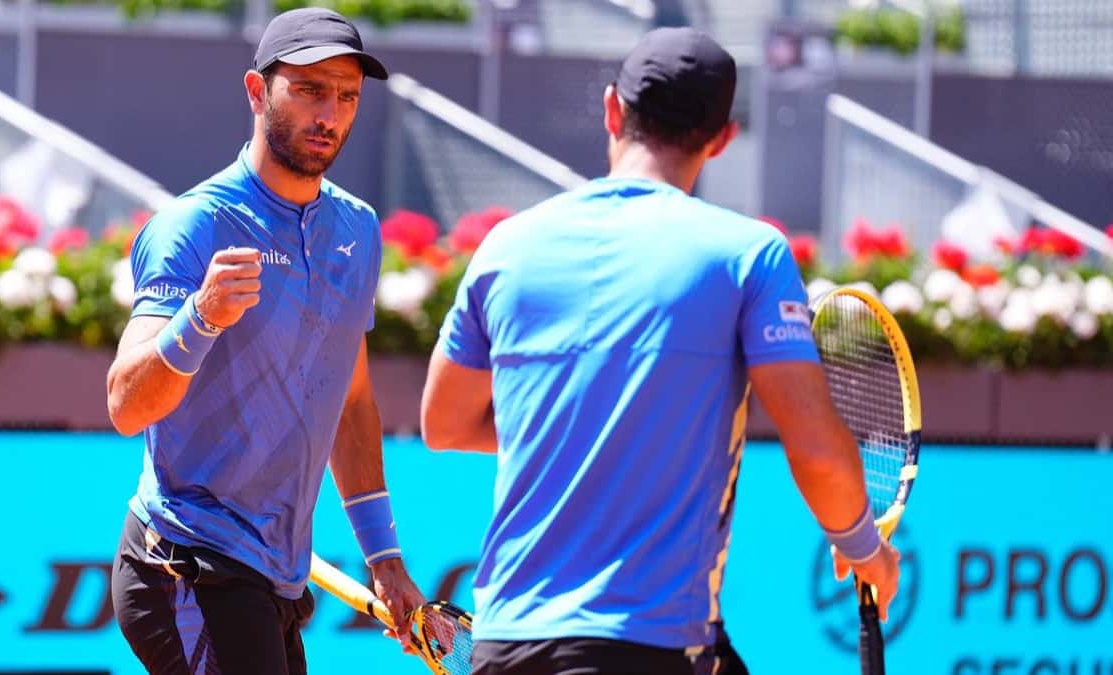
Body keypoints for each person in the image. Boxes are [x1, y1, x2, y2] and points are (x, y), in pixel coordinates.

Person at [420, 27, 901, 675]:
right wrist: (861, 542)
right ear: (723, 138)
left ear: (613, 109)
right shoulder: (748, 253)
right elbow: (813, 441)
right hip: (651, 645)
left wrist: (588, 421)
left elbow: (445, 424)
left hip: (506, 645)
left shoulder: (507, 245)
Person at [106, 8, 425, 673]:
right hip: (185, 564)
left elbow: (352, 397)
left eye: (346, 95)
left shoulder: (358, 230)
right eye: (309, 89)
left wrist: (383, 556)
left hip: (274, 578)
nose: (329, 113)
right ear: (257, 92)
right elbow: (126, 404)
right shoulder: (193, 225)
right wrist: (200, 319)